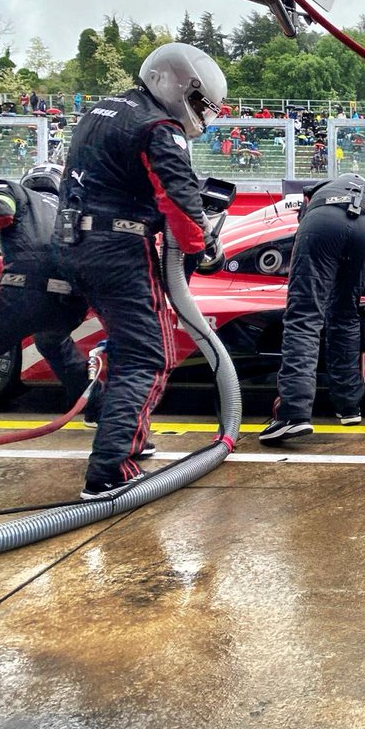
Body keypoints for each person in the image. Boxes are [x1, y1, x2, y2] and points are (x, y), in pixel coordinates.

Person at [56, 42, 224, 501]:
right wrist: (205, 248)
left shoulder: (101, 111)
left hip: (73, 243)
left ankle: (127, 435)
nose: (198, 115)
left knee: (128, 348)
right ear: (173, 82)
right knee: (149, 354)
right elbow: (181, 204)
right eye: (197, 102)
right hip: (117, 247)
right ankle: (111, 469)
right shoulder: (158, 126)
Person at [0, 164, 106, 496]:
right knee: (53, 343)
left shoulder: (14, 191)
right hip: (70, 306)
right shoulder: (74, 212)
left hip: (25, 294)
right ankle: (109, 419)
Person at [260, 130, 365, 442]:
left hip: (323, 225)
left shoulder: (317, 195)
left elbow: (300, 237)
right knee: (344, 315)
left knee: (304, 315)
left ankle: (293, 413)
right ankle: (349, 406)